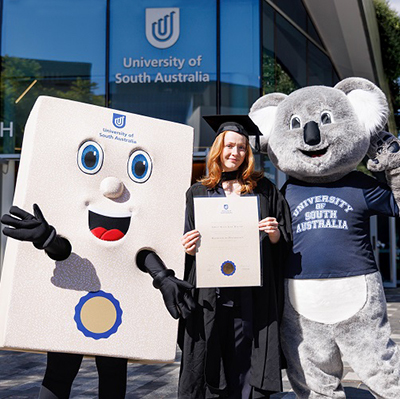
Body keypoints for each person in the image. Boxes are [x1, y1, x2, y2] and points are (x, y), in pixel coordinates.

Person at [178, 115, 292, 399]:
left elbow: (283, 239)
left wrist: (275, 233)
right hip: (210, 291)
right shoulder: (198, 192)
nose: (235, 153)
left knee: (245, 355)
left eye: (241, 148)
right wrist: (188, 247)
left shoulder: (264, 190)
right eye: (230, 146)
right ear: (218, 149)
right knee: (211, 351)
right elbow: (185, 242)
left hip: (250, 290)